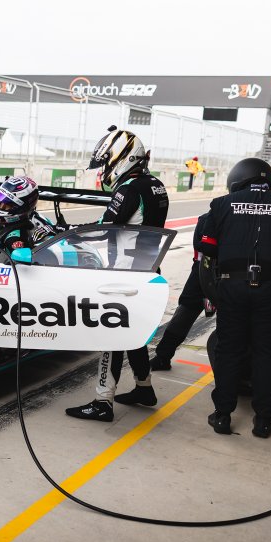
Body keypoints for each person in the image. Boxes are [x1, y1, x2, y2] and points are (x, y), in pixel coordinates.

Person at [197, 157, 271, 437]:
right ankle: (263, 420)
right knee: (268, 353)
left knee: (229, 351)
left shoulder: (221, 204)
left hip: (232, 286)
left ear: (239, 178)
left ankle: (222, 415)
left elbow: (205, 246)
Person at [66, 127, 169, 422]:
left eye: (106, 162)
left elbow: (104, 227)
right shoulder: (156, 185)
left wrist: (70, 233)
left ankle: (103, 402)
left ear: (123, 157)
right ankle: (144, 388)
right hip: (148, 271)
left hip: (125, 277)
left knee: (111, 336)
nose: (105, 170)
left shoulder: (128, 189)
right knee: (135, 334)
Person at [149, 213, 212, 371]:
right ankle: (163, 356)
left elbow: (200, 246)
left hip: (205, 271)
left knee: (185, 312)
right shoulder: (209, 218)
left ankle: (163, 357)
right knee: (186, 312)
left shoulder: (209, 217)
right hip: (213, 271)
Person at [0, 175, 58, 254]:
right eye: (0, 201)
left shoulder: (19, 237)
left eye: (7, 205)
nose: (1, 206)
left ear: (20, 208)